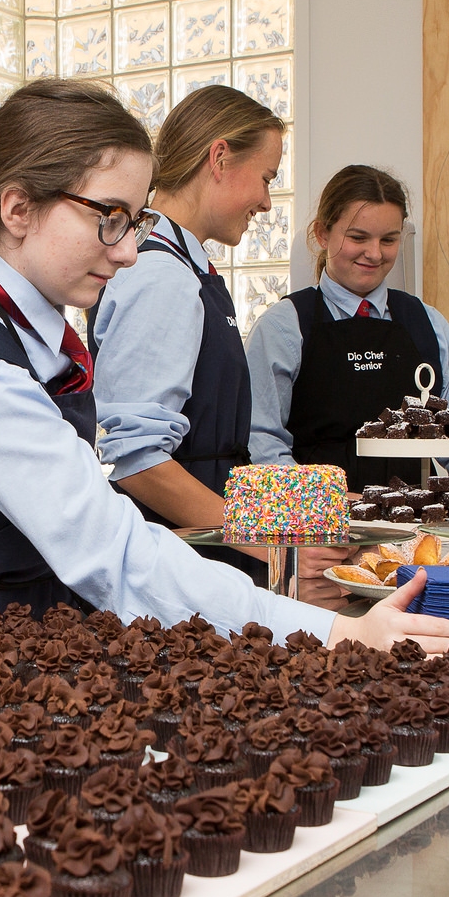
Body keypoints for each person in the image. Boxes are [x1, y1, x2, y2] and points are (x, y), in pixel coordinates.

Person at [0, 79, 449, 656]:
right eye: (110, 218)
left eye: (134, 221)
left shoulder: (26, 329)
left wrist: (318, 524)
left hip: (5, 633)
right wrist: (325, 622)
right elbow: (121, 527)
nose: (128, 253)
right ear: (18, 209)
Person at [245, 165, 449, 606]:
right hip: (319, 552)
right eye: (358, 237)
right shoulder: (285, 326)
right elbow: (262, 443)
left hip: (412, 549)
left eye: (389, 240)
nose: (374, 253)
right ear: (322, 234)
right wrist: (324, 510)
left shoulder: (427, 323)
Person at [88, 86, 282, 563]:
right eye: (265, 178)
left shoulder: (186, 267)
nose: (266, 202)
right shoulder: (162, 276)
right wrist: (265, 543)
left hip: (204, 547)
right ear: (220, 158)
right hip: (176, 558)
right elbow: (137, 462)